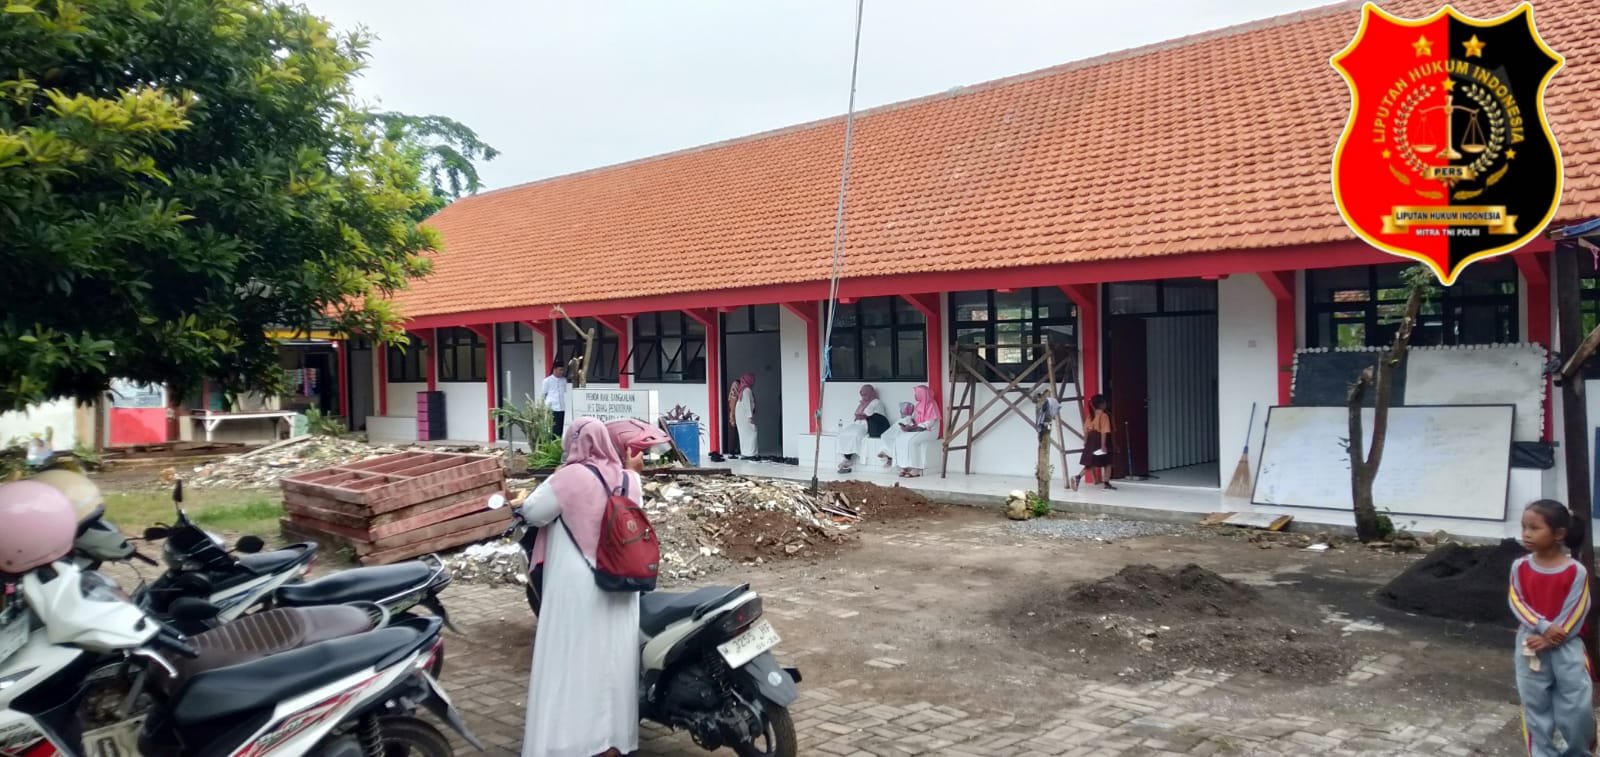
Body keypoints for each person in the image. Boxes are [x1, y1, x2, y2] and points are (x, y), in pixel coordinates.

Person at [519, 418, 640, 757]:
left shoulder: (568, 478)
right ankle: (613, 742)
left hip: (578, 586)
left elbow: (533, 512)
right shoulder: (630, 479)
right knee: (615, 664)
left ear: (573, 442)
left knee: (571, 661)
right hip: (621, 582)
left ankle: (569, 741)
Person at [1509, 499, 1595, 757]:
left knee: (1577, 706)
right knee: (1535, 706)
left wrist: (1551, 638)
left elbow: (1577, 609)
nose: (1526, 533)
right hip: (1530, 646)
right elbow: (1516, 600)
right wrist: (1542, 626)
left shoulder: (1575, 571)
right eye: (1524, 527)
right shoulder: (1520, 567)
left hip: (1566, 647)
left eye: (1535, 528)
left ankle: (1579, 752)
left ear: (1558, 534)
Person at [837, 385, 890, 473]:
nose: (863, 397)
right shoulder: (862, 403)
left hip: (867, 425)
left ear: (871, 393)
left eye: (865, 395)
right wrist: (862, 407)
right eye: (862, 395)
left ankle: (848, 458)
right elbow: (857, 414)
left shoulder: (877, 402)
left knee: (855, 435)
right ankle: (846, 457)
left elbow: (870, 415)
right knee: (844, 434)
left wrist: (863, 412)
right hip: (857, 423)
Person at [893, 385, 941, 478]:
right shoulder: (918, 405)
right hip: (917, 430)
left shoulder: (931, 404)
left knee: (912, 442)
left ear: (922, 394)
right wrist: (909, 425)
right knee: (900, 439)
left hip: (930, 431)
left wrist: (917, 427)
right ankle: (903, 466)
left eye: (917, 393)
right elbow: (915, 420)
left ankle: (915, 469)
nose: (915, 395)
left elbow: (930, 422)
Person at [1074, 395, 1116, 491]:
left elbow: (1086, 430)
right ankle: (1106, 483)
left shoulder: (1091, 415)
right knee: (1108, 462)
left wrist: (1085, 441)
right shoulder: (1104, 415)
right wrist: (1103, 445)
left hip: (1091, 440)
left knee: (1091, 463)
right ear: (1102, 404)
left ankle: (1078, 477)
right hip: (1100, 440)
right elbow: (1104, 432)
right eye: (1104, 402)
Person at [733, 372, 758, 459]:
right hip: (744, 416)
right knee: (752, 433)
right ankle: (751, 454)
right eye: (752, 380)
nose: (754, 382)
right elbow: (747, 405)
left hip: (741, 415)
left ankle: (745, 453)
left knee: (744, 435)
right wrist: (750, 417)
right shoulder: (747, 390)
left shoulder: (743, 389)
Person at [542, 365, 569, 439]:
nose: (562, 372)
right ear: (555, 370)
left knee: (560, 427)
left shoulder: (564, 380)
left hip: (561, 407)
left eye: (562, 370)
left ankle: (558, 442)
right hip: (552, 407)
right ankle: (552, 442)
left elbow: (564, 392)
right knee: (553, 428)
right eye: (560, 370)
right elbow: (544, 393)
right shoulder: (547, 380)